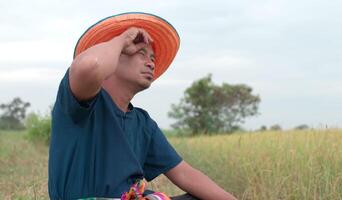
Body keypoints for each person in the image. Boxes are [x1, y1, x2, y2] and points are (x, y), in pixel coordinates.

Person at [48, 12, 237, 200]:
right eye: (141, 53)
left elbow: (185, 174)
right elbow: (91, 65)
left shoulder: (143, 123)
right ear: (114, 58)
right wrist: (122, 39)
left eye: (153, 58)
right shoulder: (81, 102)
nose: (151, 63)